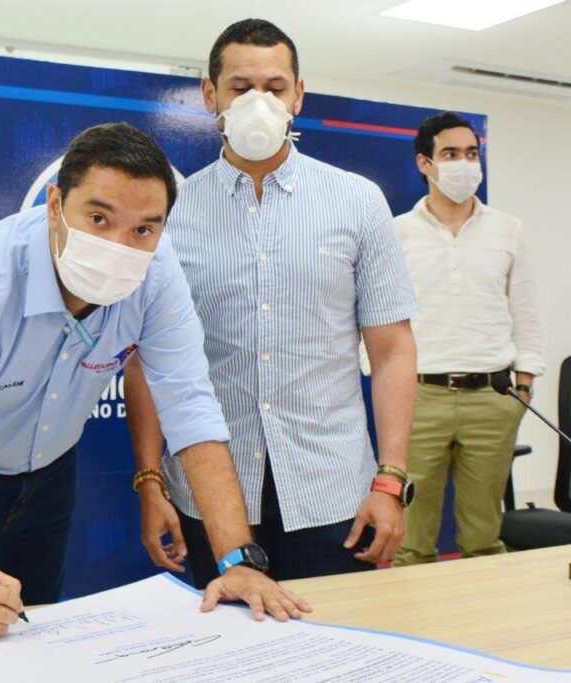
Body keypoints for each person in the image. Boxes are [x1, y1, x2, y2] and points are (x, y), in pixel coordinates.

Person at [0, 123, 310, 641]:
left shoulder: (158, 275)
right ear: (54, 205)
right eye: (98, 218)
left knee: (39, 630)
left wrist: (237, 561)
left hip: (52, 469)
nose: (119, 247)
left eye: (144, 230)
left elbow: (192, 411)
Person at [124, 19, 419, 586]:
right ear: (209, 95)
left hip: (333, 492)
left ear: (297, 96)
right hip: (207, 493)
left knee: (335, 636)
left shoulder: (357, 201)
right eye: (240, 88)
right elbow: (147, 359)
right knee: (224, 636)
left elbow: (392, 352)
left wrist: (390, 479)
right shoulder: (170, 211)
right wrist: (149, 481)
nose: (258, 102)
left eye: (274, 87)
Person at [391, 112, 544, 566]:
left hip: (493, 398)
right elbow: (377, 314)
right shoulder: (396, 232)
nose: (464, 163)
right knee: (411, 540)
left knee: (484, 538)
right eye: (451, 154)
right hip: (419, 398)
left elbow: (526, 312)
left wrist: (524, 386)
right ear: (425, 163)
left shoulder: (509, 230)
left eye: (472, 154)